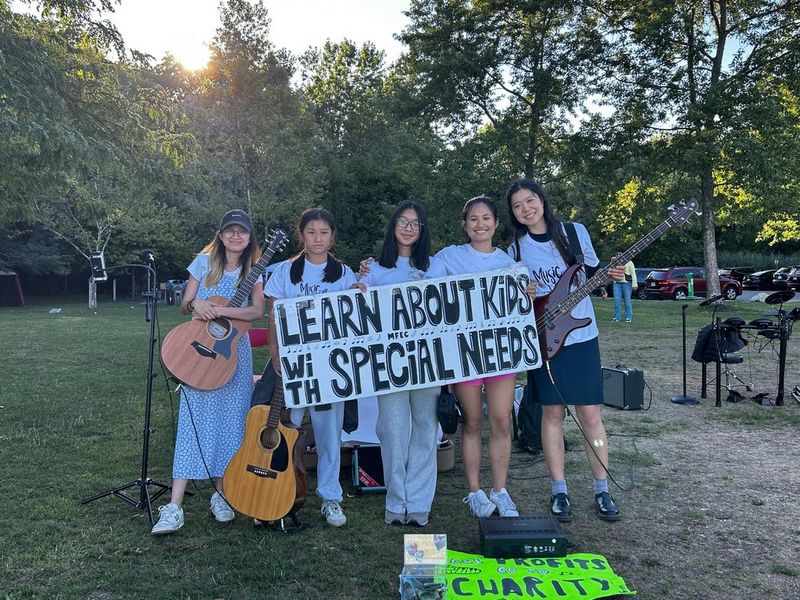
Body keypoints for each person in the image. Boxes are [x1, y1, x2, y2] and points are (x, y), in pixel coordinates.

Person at [506, 179, 624, 522]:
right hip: (545, 339)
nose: (526, 208)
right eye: (518, 205)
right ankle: (559, 490)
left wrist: (610, 274)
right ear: (513, 213)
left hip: (582, 336)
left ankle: (602, 488)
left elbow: (591, 273)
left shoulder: (574, 232)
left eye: (531, 200)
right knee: (552, 416)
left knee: (590, 417)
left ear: (542, 200)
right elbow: (515, 296)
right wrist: (522, 293)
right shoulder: (515, 248)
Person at [152, 209, 265, 535]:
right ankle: (174, 507)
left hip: (234, 354)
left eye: (241, 232)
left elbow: (257, 311)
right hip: (198, 352)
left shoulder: (254, 270)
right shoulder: (203, 263)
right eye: (230, 231)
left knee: (232, 423)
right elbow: (186, 303)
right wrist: (195, 306)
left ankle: (222, 494)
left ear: (249, 238)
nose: (235, 236)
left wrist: (219, 310)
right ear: (220, 234)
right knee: (193, 422)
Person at [426, 196, 521, 519]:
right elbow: (424, 289)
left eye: (486, 219)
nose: (480, 224)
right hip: (464, 354)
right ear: (464, 225)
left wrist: (528, 291)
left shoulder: (509, 261)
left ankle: (500, 489)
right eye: (473, 219)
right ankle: (474, 492)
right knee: (472, 422)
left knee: (501, 420)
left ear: (496, 223)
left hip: (500, 354)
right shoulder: (450, 257)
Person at [265, 207, 357, 527]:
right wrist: (275, 352)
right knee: (287, 429)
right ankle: (281, 490)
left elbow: (353, 320)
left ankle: (330, 497)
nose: (318, 239)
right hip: (293, 363)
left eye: (324, 232)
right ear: (301, 234)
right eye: (311, 232)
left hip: (329, 367)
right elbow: (274, 315)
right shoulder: (285, 272)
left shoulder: (344, 274)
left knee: (329, 432)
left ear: (333, 236)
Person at [359, 202, 439, 527]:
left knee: (425, 429)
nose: (408, 228)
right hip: (388, 363)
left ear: (422, 230)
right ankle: (395, 500)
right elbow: (357, 306)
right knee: (392, 431)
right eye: (403, 222)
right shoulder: (373, 269)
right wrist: (356, 288)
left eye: (415, 223)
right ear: (393, 227)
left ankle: (419, 502)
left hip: (429, 361)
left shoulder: (437, 265)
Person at [612, 250, 637, 323]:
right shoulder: (614, 263)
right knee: (617, 300)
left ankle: (628, 317)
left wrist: (634, 284)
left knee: (627, 300)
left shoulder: (629, 262)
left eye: (620, 254)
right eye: (617, 254)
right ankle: (617, 316)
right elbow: (611, 272)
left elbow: (633, 274)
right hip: (617, 283)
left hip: (626, 283)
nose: (619, 255)